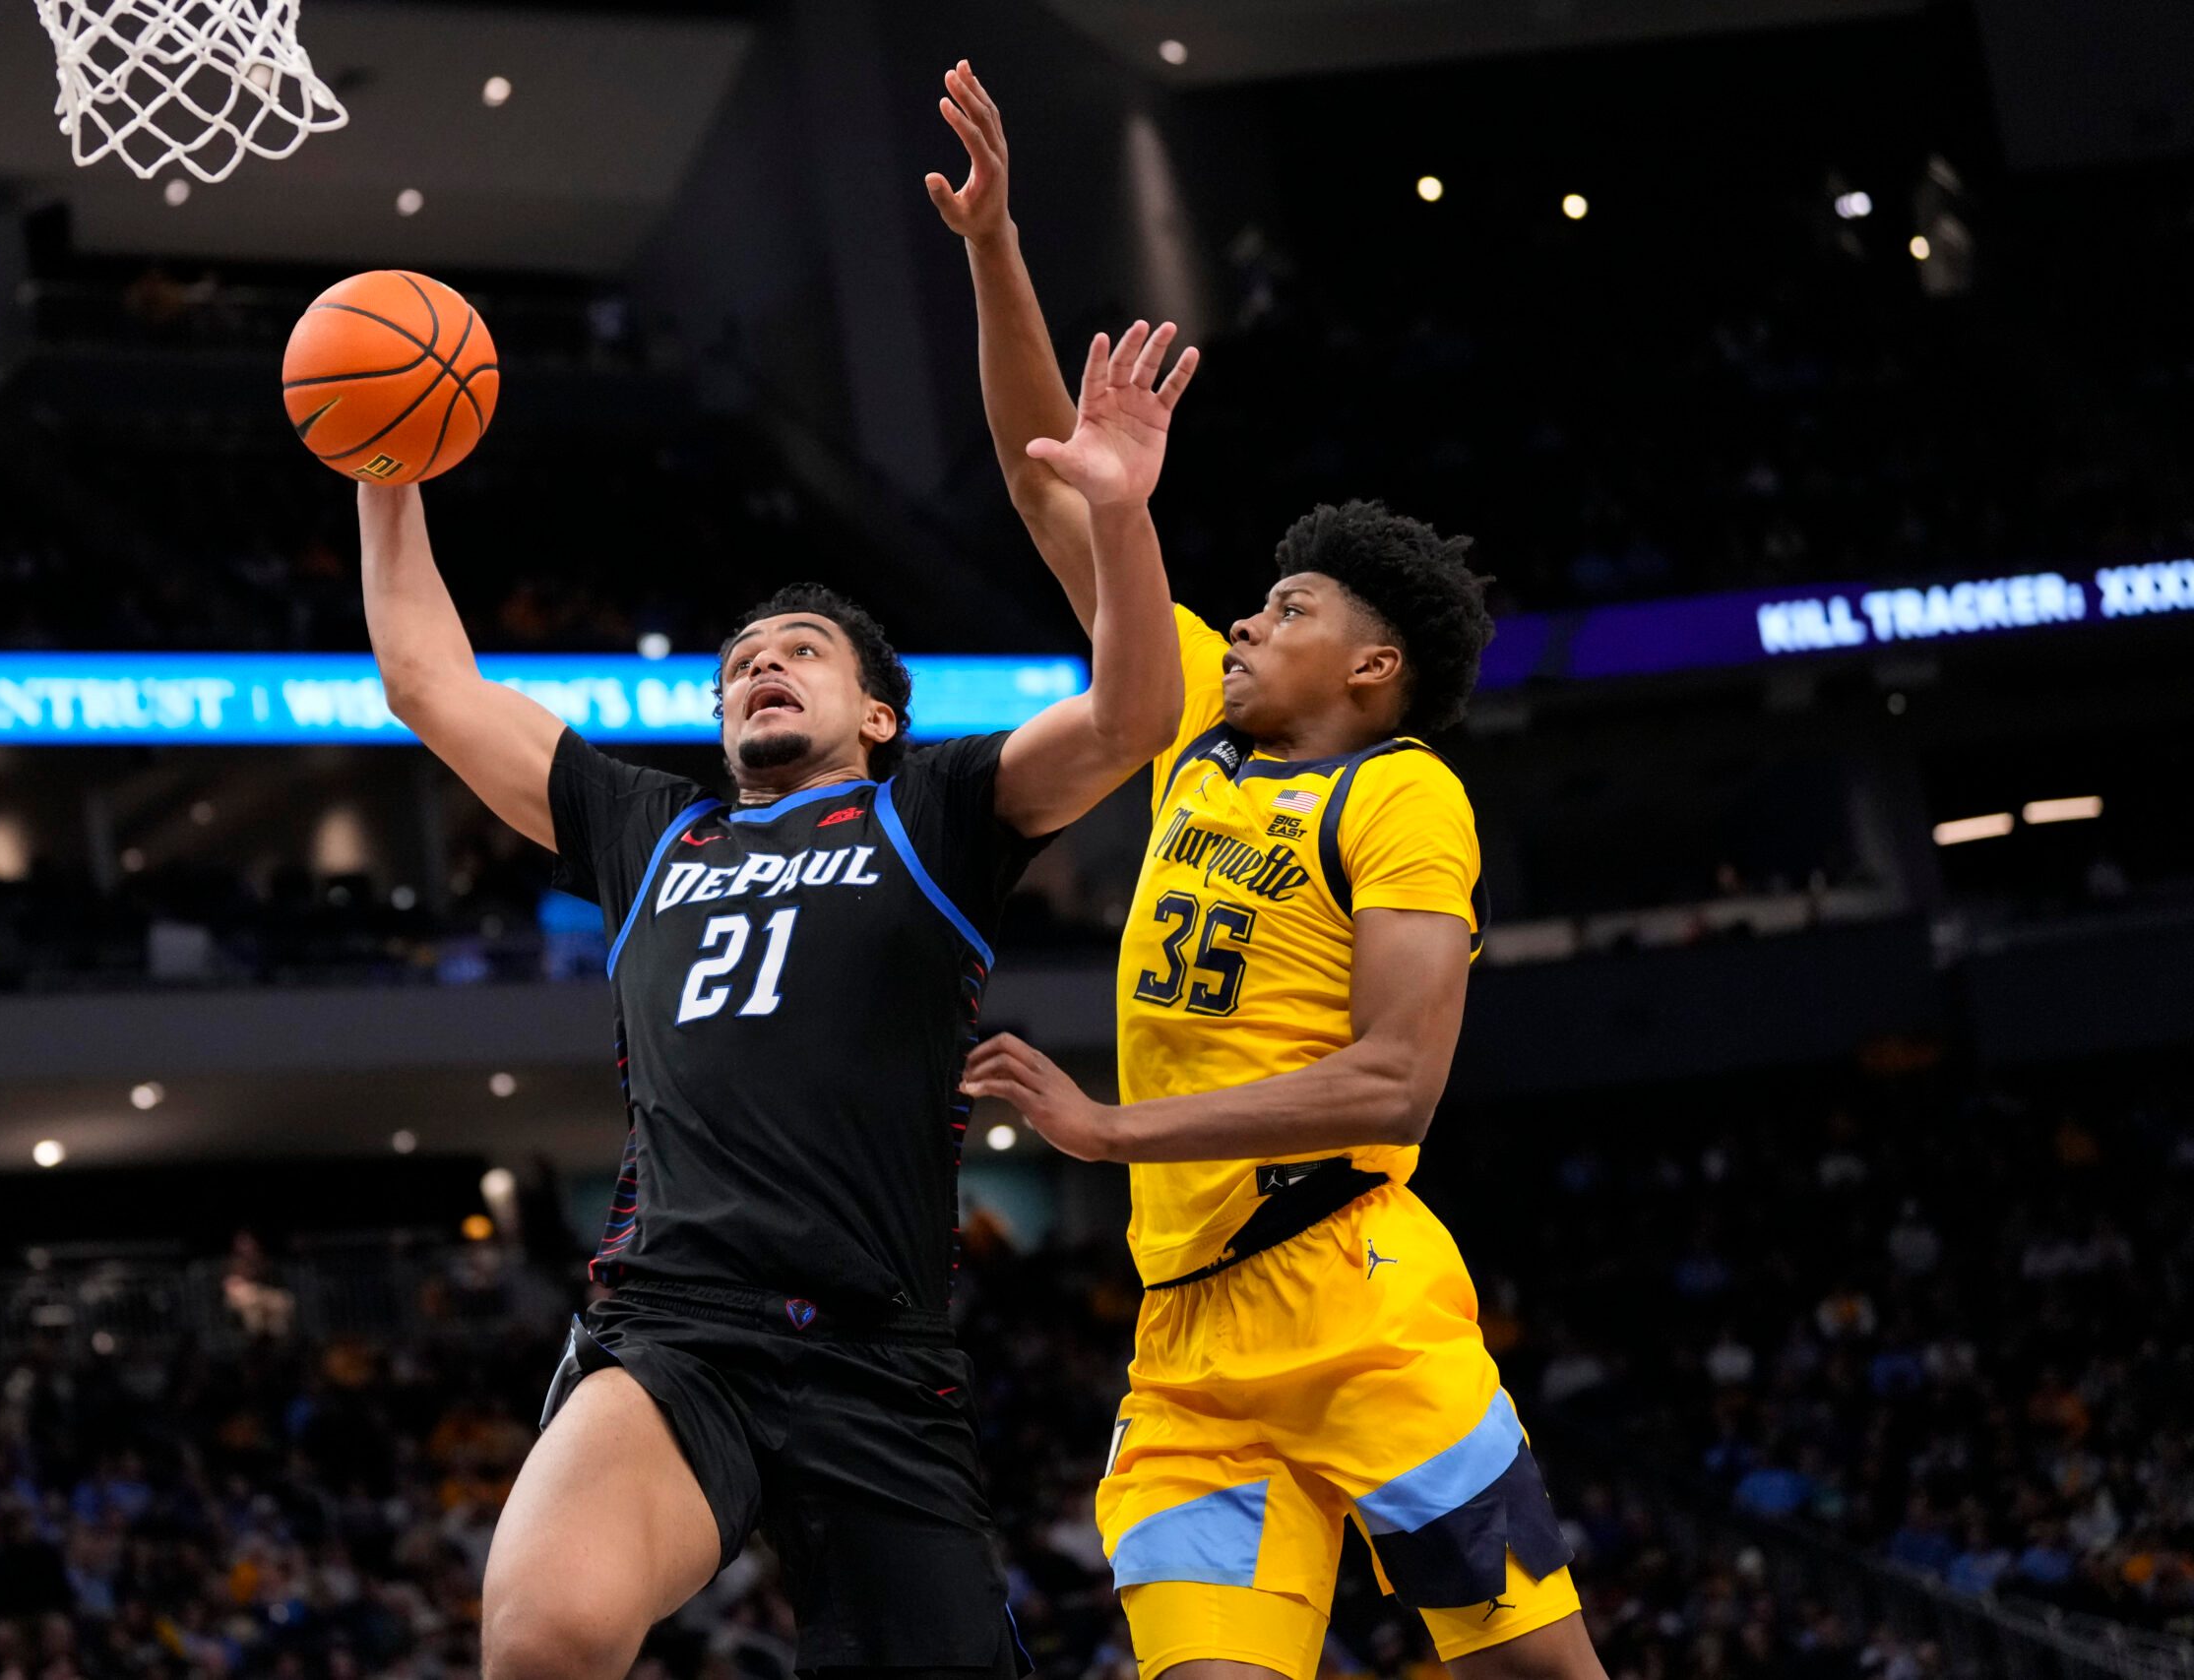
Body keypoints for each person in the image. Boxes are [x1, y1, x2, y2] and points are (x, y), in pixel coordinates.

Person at [355, 309, 1198, 1680]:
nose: (761, 663)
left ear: (879, 717)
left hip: (878, 1359)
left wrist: (1118, 518)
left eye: (801, 648)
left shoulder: (933, 811)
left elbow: (1132, 717)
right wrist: (385, 467)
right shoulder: (652, 833)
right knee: (546, 1634)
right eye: (742, 657)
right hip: (680, 1326)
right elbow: (427, 681)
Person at [929, 61, 1606, 1680]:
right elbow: (1048, 478)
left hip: (1360, 1303)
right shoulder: (1191, 741)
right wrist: (994, 244)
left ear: (1372, 673)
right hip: (1186, 1346)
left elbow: (1392, 1082)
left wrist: (1108, 1128)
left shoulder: (1403, 795)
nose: (1246, 621)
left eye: (1288, 613)